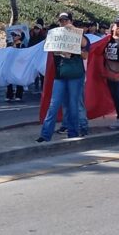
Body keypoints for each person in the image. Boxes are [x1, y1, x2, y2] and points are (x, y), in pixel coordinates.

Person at [37, 12, 89, 142]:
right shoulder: (57, 35)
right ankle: (45, 135)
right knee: (53, 105)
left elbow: (85, 52)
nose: (63, 23)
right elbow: (50, 48)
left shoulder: (79, 34)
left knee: (73, 105)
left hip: (75, 75)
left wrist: (75, 34)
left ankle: (73, 133)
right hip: (60, 75)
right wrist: (61, 51)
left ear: (71, 21)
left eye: (66, 20)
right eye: (61, 21)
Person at [5, 31, 25, 102]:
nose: (13, 36)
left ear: (19, 36)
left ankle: (19, 94)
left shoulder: (22, 45)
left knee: (19, 79)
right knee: (9, 79)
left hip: (18, 64)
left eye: (15, 35)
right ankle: (9, 95)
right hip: (10, 64)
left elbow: (23, 54)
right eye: (13, 35)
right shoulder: (10, 44)